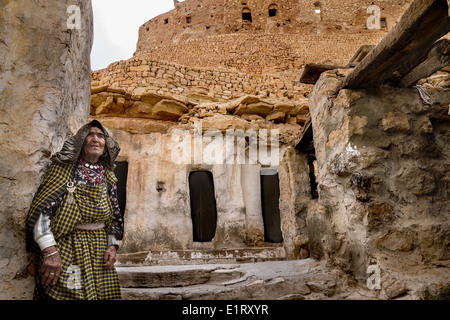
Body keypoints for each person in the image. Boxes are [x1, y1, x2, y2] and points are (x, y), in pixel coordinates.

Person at [25, 120, 123, 300]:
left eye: (100, 136)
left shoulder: (107, 174)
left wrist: (112, 245)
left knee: (105, 295)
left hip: (100, 248)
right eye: (90, 135)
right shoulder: (63, 170)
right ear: (80, 141)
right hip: (66, 247)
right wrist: (49, 251)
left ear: (106, 144)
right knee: (69, 295)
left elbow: (114, 215)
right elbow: (42, 212)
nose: (95, 139)